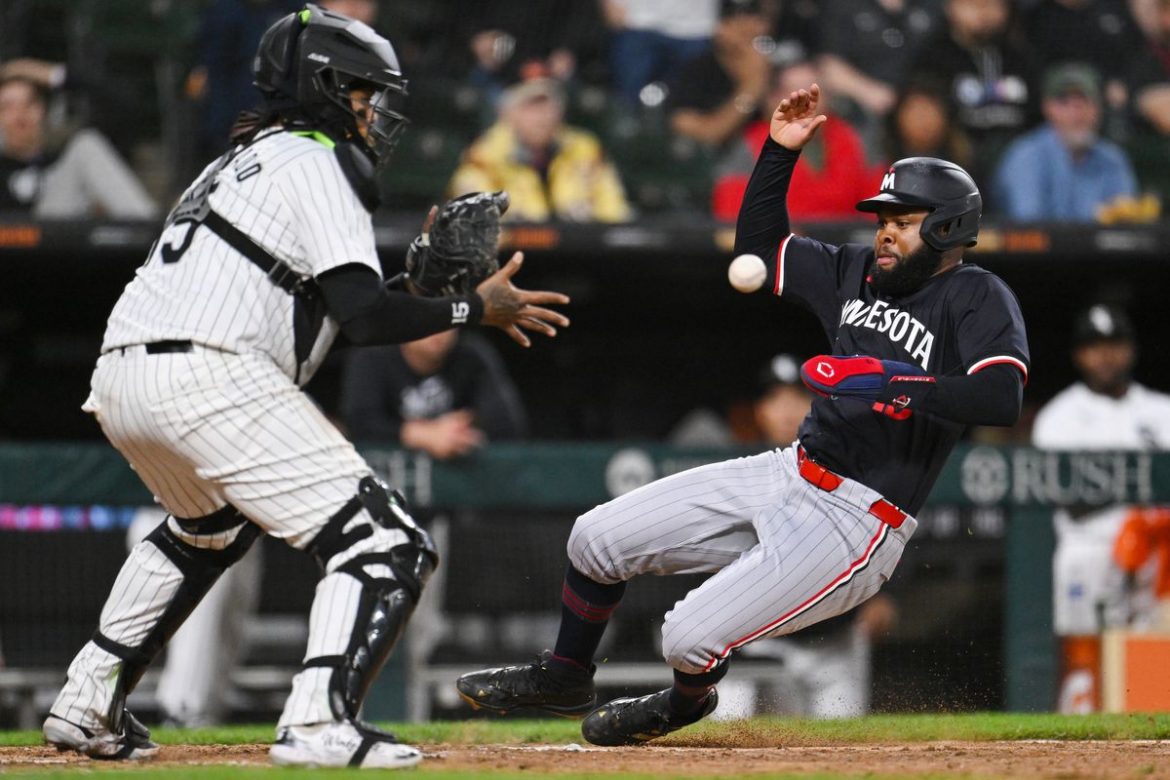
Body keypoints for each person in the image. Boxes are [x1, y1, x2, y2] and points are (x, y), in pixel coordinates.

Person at [40, 4, 568, 769]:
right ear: (323, 86)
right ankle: (318, 723)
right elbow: (357, 319)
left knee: (207, 532)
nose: (372, 111)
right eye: (361, 92)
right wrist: (466, 306)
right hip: (210, 372)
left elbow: (314, 302)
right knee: (386, 543)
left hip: (127, 373)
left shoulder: (239, 160)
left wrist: (413, 285)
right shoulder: (319, 156)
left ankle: (85, 701)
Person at [455, 83, 1028, 745]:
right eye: (882, 219)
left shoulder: (976, 296)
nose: (886, 232)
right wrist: (779, 152)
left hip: (860, 519)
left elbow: (1000, 396)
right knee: (593, 538)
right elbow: (759, 250)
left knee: (686, 637)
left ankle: (682, 705)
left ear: (948, 226)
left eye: (904, 219)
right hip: (791, 471)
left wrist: (892, 382)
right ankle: (564, 673)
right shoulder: (854, 271)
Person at [1031, 303, 1170, 713]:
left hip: (1156, 555)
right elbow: (1063, 497)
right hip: (1088, 551)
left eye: (1114, 343)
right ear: (1079, 354)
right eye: (1095, 345)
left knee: (1151, 649)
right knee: (1081, 655)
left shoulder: (1162, 411)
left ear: (1131, 349)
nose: (1105, 354)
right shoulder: (1060, 416)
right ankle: (1081, 738)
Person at [711, 58, 881, 222]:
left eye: (814, 93)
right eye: (794, 92)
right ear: (772, 100)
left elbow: (879, 207)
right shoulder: (750, 148)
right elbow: (732, 214)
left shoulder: (855, 140)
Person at [448, 75, 631, 223]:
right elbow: (475, 223)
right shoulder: (484, 157)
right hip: (513, 259)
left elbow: (614, 211)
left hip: (582, 255)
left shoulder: (584, 150)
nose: (543, 117)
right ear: (509, 114)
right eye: (532, 107)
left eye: (549, 106)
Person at [340, 328, 528, 457]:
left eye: (446, 321)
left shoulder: (471, 354)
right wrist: (420, 434)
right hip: (390, 478)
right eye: (426, 320)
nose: (437, 331)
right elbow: (358, 422)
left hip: (458, 482)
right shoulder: (372, 356)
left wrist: (458, 431)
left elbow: (507, 421)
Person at [992, 63, 1138, 223]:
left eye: (1084, 101)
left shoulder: (1112, 159)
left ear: (1098, 108)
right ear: (1047, 108)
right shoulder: (1026, 157)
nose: (1076, 112)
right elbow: (1030, 228)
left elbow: (1126, 226)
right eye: (1064, 102)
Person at [0, 73, 157, 218]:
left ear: (43, 110)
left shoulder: (64, 160)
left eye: (29, 104)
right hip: (13, 241)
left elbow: (123, 106)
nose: (20, 114)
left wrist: (51, 73)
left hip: (65, 239)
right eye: (7, 107)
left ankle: (161, 238)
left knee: (86, 144)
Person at [666, 0, 774, 148]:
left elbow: (787, 128)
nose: (752, 27)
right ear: (720, 27)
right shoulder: (698, 69)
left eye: (757, 20)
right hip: (715, 162)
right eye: (735, 21)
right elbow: (707, 133)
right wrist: (750, 88)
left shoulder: (774, 69)